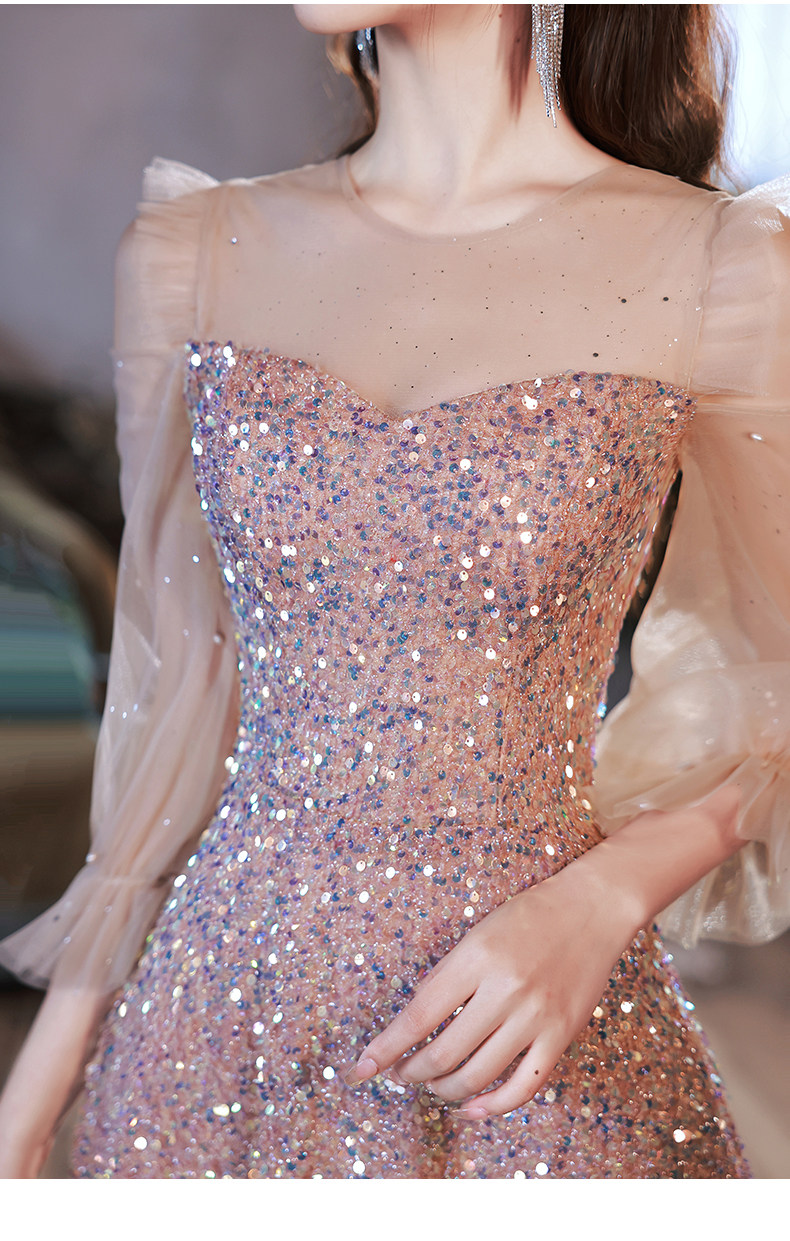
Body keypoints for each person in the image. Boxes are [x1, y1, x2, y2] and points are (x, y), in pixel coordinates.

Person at [0, 2, 788, 1179]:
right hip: (215, 1033)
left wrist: (603, 897)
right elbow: (176, 705)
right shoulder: (192, 252)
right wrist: (30, 1105)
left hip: (529, 1031)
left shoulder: (722, 263)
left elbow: (771, 684)